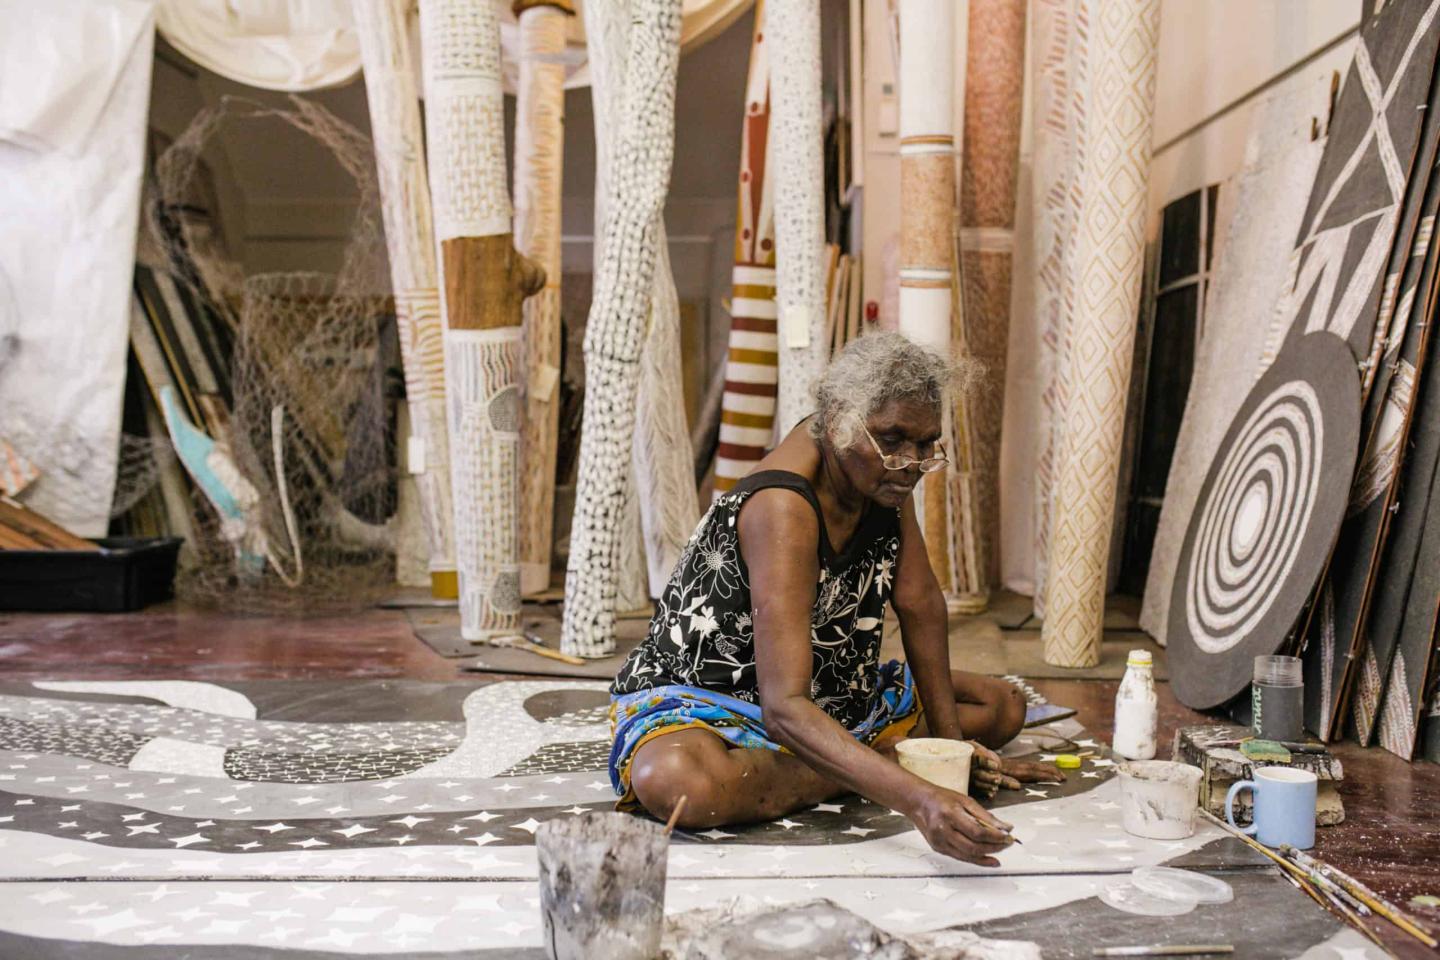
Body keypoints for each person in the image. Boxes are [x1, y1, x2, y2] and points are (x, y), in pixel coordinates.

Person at [607, 333, 1061, 866]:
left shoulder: (880, 475)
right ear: (841, 418)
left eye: (926, 444)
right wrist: (918, 797)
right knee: (677, 784)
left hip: (835, 694)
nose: (912, 463)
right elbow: (782, 709)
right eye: (894, 439)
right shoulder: (783, 504)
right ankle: (866, 765)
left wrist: (950, 757)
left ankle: (855, 761)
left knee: (1003, 707)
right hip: (718, 701)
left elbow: (921, 606)